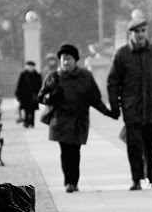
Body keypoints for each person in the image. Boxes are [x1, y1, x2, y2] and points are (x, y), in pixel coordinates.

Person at [108, 12, 152, 190]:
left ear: (147, 32)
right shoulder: (122, 55)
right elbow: (113, 82)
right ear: (131, 34)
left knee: (151, 144)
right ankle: (136, 179)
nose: (141, 34)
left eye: (143, 30)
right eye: (137, 31)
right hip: (132, 109)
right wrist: (115, 106)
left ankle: (149, 176)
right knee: (134, 145)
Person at [38, 44, 115, 193]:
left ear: (75, 60)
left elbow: (95, 99)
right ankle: (69, 181)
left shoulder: (85, 76)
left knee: (75, 151)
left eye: (69, 59)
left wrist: (107, 112)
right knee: (65, 151)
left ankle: (74, 181)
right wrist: (51, 96)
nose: (66, 62)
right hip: (60, 120)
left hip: (79, 120)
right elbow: (41, 97)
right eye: (63, 59)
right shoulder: (53, 77)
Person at [14, 60, 43, 128]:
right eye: (29, 66)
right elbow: (19, 85)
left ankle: (32, 122)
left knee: (32, 110)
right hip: (25, 96)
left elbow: (40, 85)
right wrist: (18, 94)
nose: (30, 67)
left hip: (33, 96)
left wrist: (39, 93)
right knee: (26, 109)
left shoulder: (37, 75)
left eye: (31, 66)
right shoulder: (23, 75)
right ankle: (26, 122)